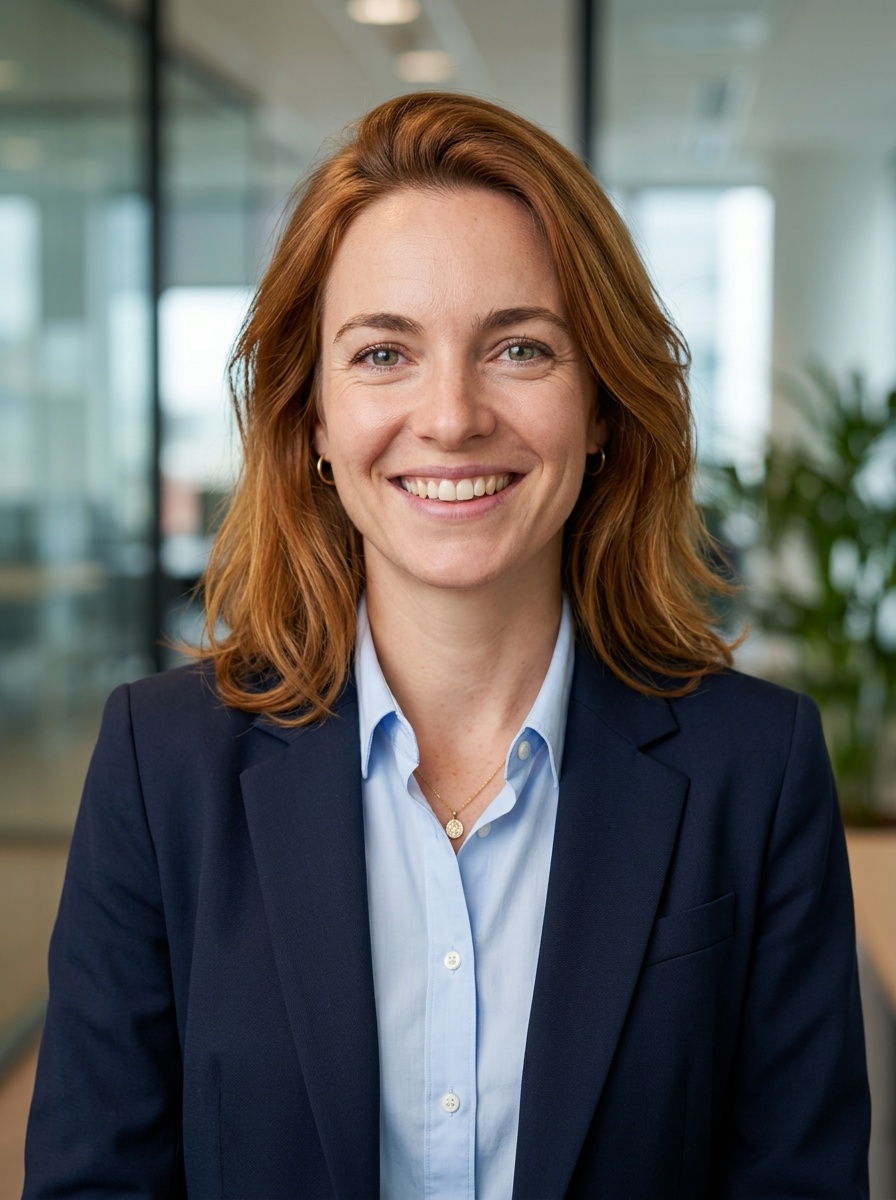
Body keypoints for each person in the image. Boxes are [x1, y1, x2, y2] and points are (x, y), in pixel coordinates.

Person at [25, 92, 869, 1199]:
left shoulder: (751, 769)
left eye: (518, 347)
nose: (451, 416)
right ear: (313, 419)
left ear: (603, 406)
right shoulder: (161, 765)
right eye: (382, 354)